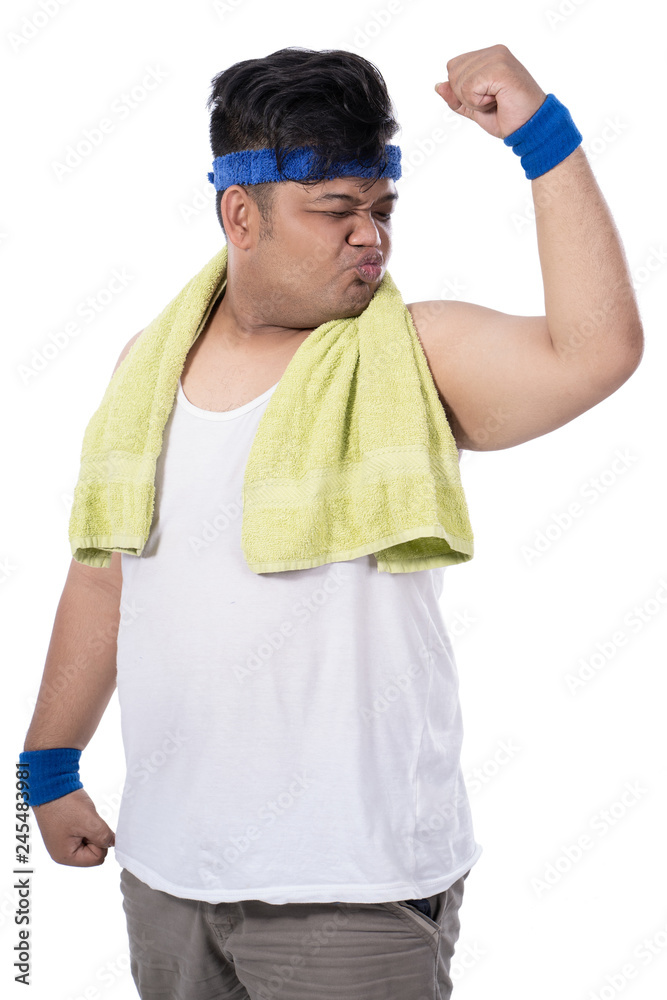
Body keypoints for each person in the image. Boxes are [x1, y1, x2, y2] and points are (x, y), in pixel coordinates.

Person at [21, 44, 643, 1000]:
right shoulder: (145, 368)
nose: (371, 238)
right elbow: (104, 573)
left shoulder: (414, 357)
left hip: (351, 889)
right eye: (336, 212)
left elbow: (593, 353)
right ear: (241, 213)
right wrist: (50, 762)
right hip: (166, 876)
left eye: (381, 209)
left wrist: (539, 135)